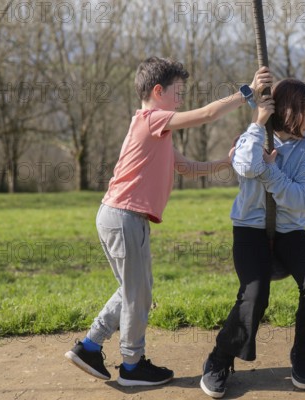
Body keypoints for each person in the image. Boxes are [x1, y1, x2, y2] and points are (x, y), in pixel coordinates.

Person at [64, 56, 273, 387]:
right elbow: (206, 115)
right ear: (158, 91)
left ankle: (90, 346)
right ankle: (132, 366)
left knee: (136, 291)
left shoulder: (155, 131)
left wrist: (227, 163)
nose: (182, 99)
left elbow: (188, 168)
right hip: (124, 217)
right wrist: (247, 93)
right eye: (178, 92)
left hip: (120, 217)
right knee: (137, 295)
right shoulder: (151, 120)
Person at [200, 79, 305, 398]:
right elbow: (244, 166)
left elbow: (301, 199)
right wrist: (259, 121)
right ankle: (220, 359)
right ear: (288, 112)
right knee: (255, 293)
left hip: (290, 229)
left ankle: (302, 351)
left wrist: (270, 172)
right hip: (250, 228)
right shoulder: (255, 134)